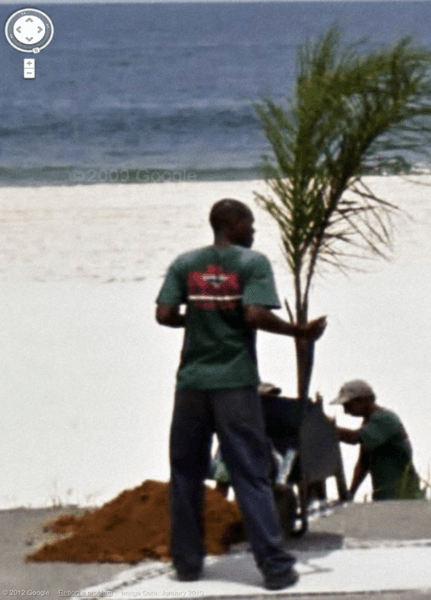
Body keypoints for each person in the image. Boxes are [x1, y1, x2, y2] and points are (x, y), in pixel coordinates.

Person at [156, 198, 326, 589]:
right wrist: (298, 331)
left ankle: (187, 563)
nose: (253, 231)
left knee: (185, 473)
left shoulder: (185, 263)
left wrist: (199, 317)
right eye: (249, 223)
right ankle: (275, 569)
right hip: (234, 382)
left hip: (192, 384)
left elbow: (164, 315)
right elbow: (253, 315)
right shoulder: (252, 264)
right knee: (251, 473)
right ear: (231, 224)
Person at [333, 379, 424, 501]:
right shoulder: (369, 424)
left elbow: (353, 438)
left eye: (348, 405)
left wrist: (326, 429)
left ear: (363, 400)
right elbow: (363, 463)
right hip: (385, 497)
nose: (345, 411)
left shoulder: (385, 419)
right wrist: (351, 492)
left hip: (404, 497)